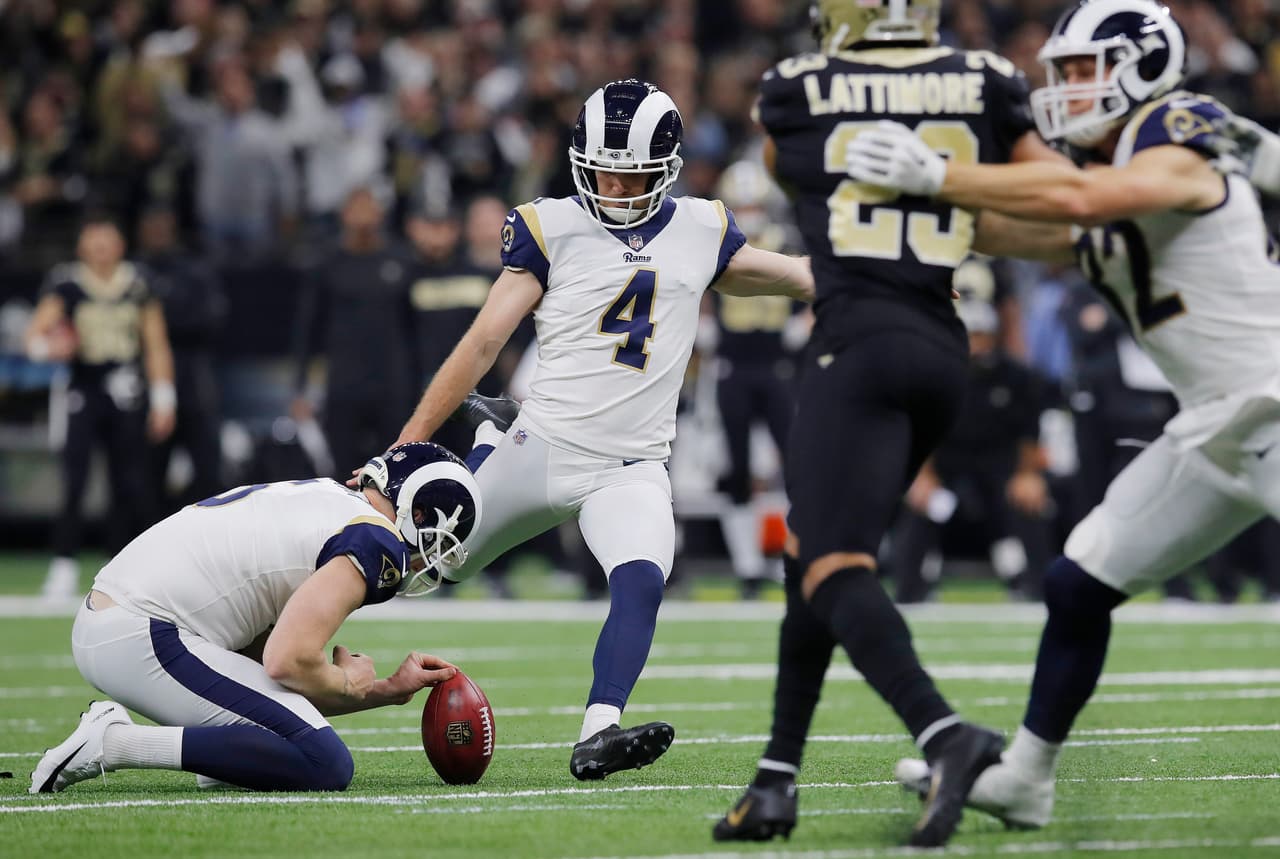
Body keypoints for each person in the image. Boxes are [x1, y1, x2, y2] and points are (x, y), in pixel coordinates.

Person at [845, 0, 1280, 830]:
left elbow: (1087, 199)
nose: (1066, 89)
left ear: (1142, 68)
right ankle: (1026, 778)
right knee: (1078, 583)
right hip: (1212, 426)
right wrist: (899, 213)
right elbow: (1028, 230)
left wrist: (937, 173)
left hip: (1272, 401)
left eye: (1083, 71)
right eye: (1064, 72)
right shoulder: (1111, 178)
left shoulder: (1174, 141)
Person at [712, 0, 1067, 848]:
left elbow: (786, 166)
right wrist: (948, 181)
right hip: (944, 352)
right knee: (817, 549)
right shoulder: (985, 81)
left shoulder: (798, 88)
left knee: (832, 563)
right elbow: (1055, 210)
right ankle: (775, 779)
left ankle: (945, 734)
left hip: (856, 345)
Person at [390, 78, 814, 781]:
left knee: (643, 577)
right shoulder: (552, 224)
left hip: (632, 464)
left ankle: (599, 729)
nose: (615, 187)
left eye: (632, 174)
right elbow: (485, 340)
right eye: (604, 170)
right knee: (438, 565)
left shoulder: (700, 228)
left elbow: (777, 274)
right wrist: (412, 439)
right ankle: (490, 435)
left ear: (668, 170)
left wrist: (881, 283)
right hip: (545, 444)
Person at [30, 442, 480, 794]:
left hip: (128, 620)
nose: (429, 562)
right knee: (327, 763)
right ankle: (113, 744)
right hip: (144, 628)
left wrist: (384, 691)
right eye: (440, 542)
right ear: (419, 511)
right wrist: (347, 681)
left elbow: (279, 686)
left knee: (293, 743)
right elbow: (288, 661)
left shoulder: (328, 502)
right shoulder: (378, 540)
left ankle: (224, 759)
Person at [24, 214, 177, 599]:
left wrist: (163, 397)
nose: (100, 251)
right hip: (83, 389)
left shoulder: (137, 284)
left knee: (128, 481)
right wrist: (49, 348)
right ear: (82, 247)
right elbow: (34, 336)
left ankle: (121, 567)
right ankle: (63, 564)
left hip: (126, 391)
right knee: (74, 479)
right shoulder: (68, 283)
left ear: (120, 245)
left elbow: (156, 343)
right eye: (93, 243)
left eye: (106, 242)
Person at [291, 187, 417, 480]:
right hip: (344, 386)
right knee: (341, 469)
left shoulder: (402, 260)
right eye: (355, 209)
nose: (362, 217)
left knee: (397, 469)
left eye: (368, 207)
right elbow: (308, 329)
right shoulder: (327, 263)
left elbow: (415, 331)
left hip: (393, 386)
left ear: (380, 213)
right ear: (343, 215)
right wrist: (301, 388)